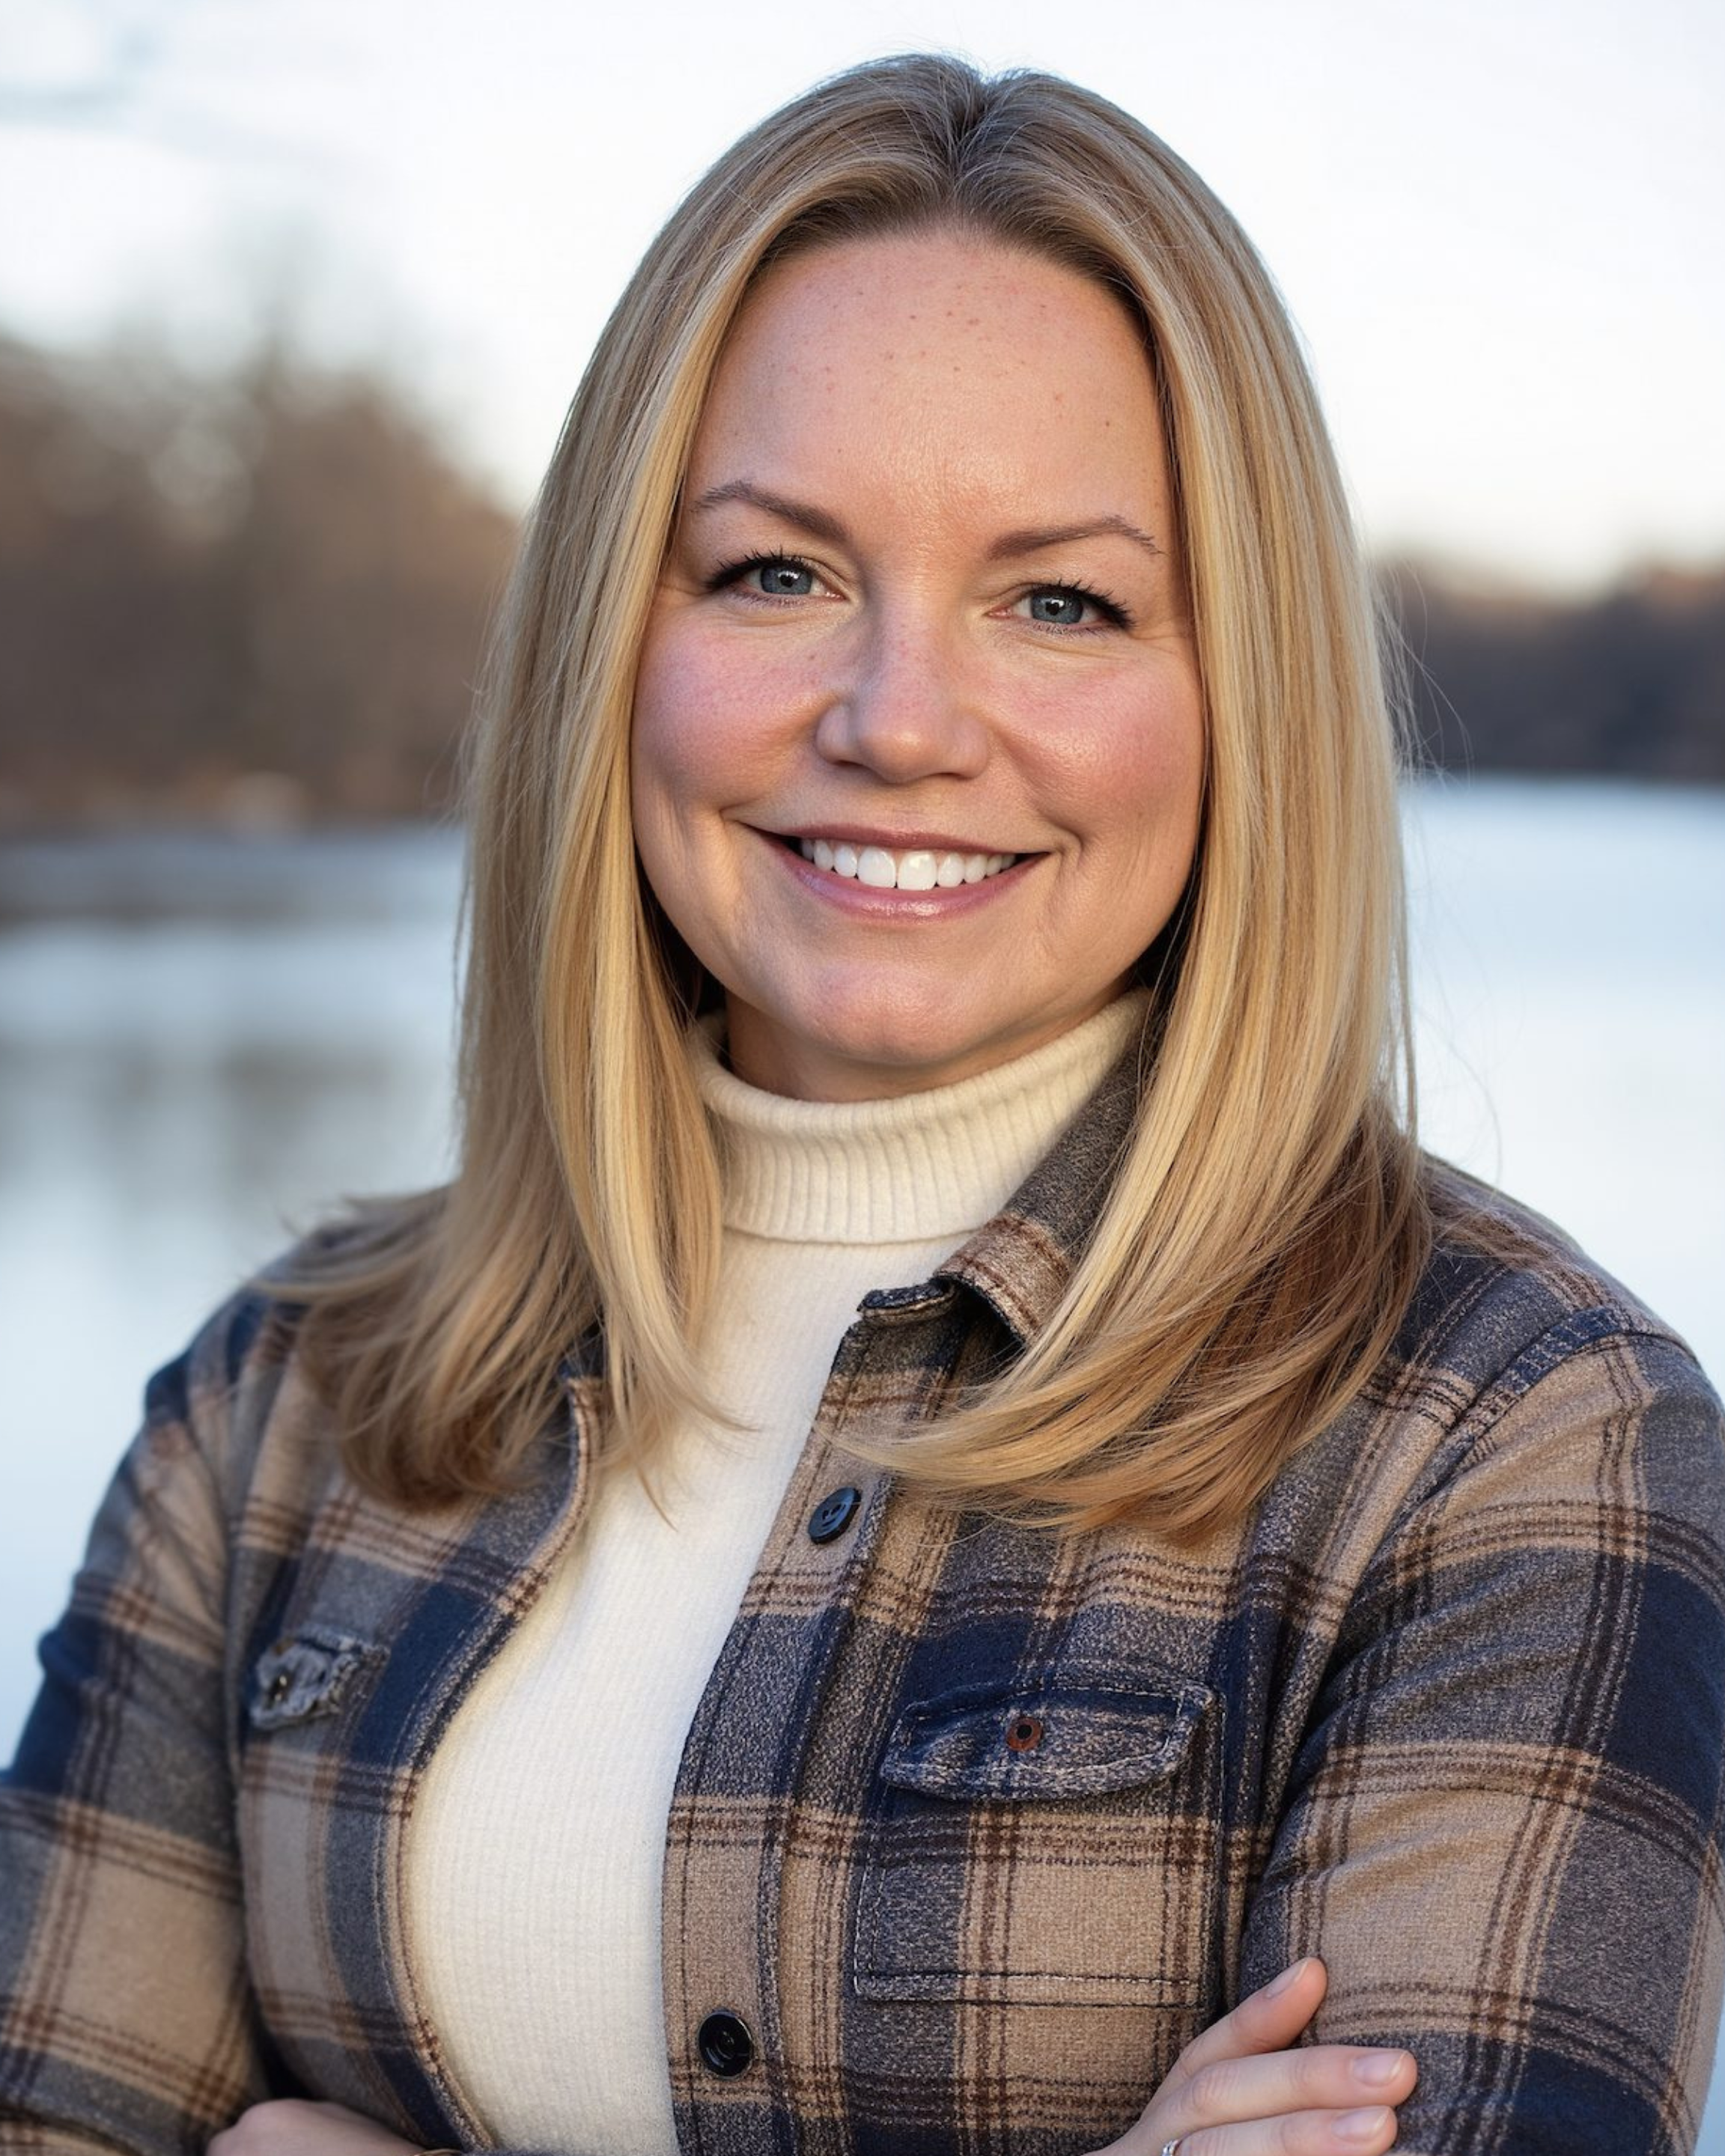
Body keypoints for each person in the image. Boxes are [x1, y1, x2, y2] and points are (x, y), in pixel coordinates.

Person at [4, 50, 1722, 2156]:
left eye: (1061, 601)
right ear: (608, 646)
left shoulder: (1512, 1443)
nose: (902, 721)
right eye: (773, 573)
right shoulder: (284, 1409)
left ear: (1241, 692)